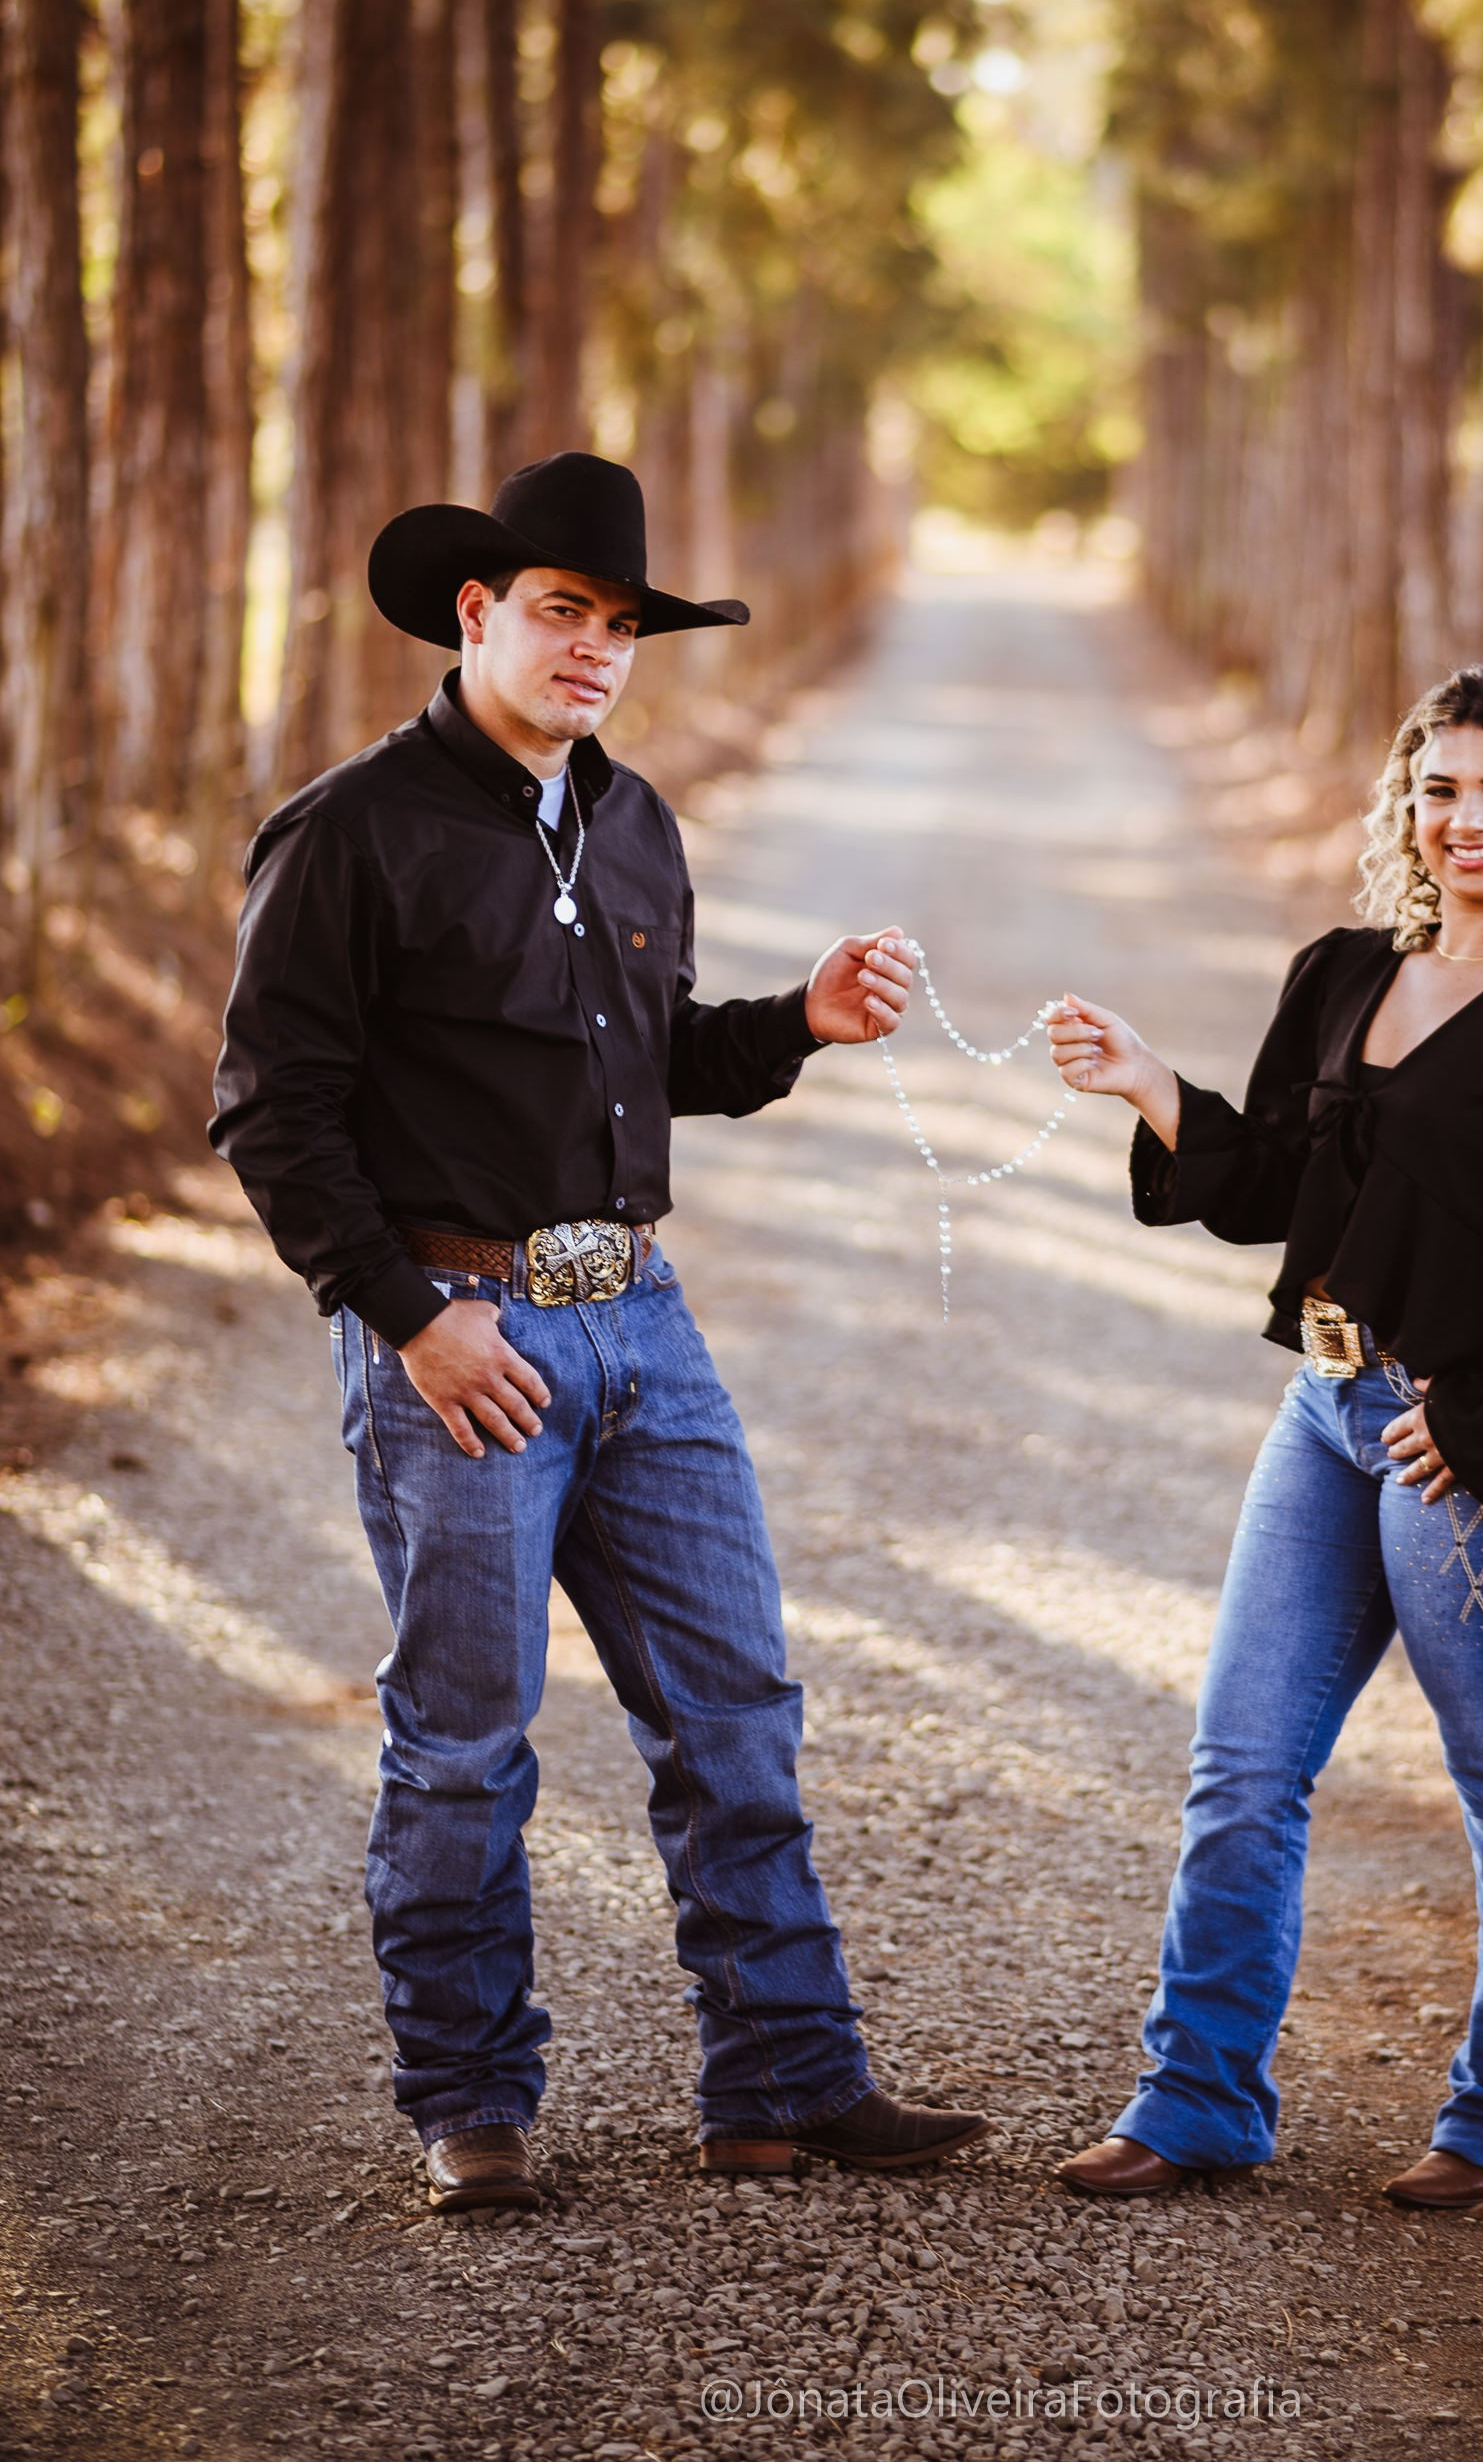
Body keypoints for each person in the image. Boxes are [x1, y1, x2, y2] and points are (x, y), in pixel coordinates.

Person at [212, 450, 986, 2212]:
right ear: (477, 614)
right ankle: (472, 2106)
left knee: (736, 1713)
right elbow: (272, 1110)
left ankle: (783, 2085)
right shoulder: (350, 832)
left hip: (642, 1317)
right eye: (563, 613)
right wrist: (408, 1319)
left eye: (621, 625)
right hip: (460, 1338)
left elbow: (649, 1070)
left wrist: (797, 1020)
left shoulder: (633, 823)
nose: (594, 651)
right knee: (468, 1742)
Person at [1044, 665, 1483, 2209]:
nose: (1469, 820)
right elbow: (1274, 1185)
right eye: (1443, 788)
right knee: (1242, 1765)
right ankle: (1199, 2099)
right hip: (1328, 1410)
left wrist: (1481, 1420)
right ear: (1408, 805)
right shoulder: (1345, 973)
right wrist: (1151, 1088)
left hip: (1481, 1436)